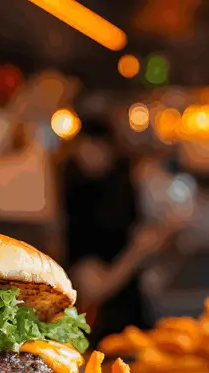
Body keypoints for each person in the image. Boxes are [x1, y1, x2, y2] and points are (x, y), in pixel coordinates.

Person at [61, 117, 176, 342]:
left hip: (136, 321)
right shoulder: (77, 205)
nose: (93, 154)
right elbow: (95, 290)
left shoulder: (124, 185)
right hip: (102, 335)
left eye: (99, 147)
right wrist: (138, 251)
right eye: (87, 147)